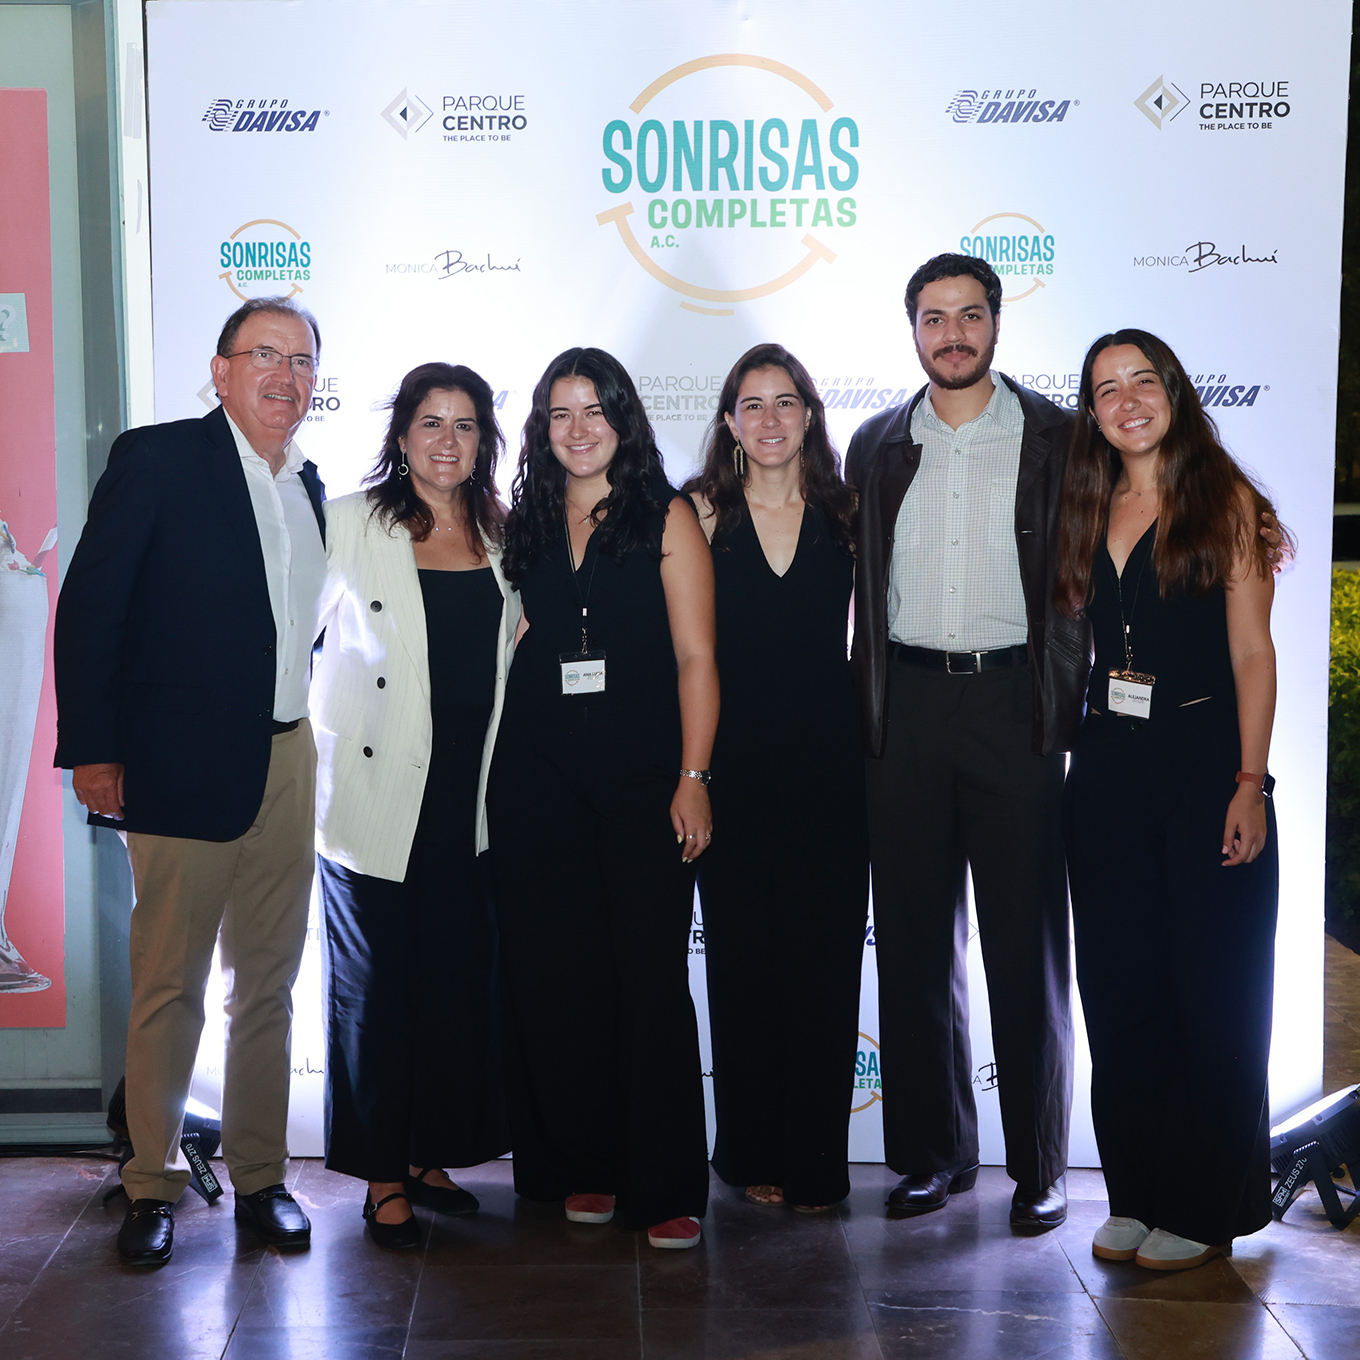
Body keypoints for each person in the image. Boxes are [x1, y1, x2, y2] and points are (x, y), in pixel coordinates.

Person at [54, 297, 327, 1264]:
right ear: (221, 371)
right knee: (171, 983)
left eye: (302, 361)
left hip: (288, 758)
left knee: (271, 983)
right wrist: (94, 748)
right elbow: (91, 607)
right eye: (266, 355)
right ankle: (151, 1183)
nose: (286, 377)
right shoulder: (160, 459)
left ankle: (261, 1176)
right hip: (178, 761)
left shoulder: (309, 483)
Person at [845, 254, 1083, 1229]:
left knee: (1026, 946)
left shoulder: (1059, 439)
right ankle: (930, 1155)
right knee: (910, 943)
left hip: (1012, 706)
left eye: (970, 315)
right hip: (902, 705)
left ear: (996, 322)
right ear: (912, 329)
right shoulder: (876, 443)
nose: (953, 334)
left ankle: (1040, 1167)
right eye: (934, 317)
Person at [1055, 329, 1285, 1271]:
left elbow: (1253, 654)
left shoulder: (1224, 502)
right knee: (1121, 994)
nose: (1127, 401)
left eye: (1142, 381)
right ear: (1093, 412)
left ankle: (1205, 1205)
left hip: (1206, 770)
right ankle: (1137, 1195)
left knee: (1212, 994)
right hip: (1108, 772)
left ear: (1174, 393)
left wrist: (1250, 783)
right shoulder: (1085, 504)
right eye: (1107, 388)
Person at [489, 346, 716, 1249]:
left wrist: (693, 778)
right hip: (536, 784)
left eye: (594, 410)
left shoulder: (667, 515)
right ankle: (586, 1163)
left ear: (624, 418)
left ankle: (665, 1183)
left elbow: (698, 659)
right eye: (560, 413)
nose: (577, 429)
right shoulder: (525, 522)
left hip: (644, 785)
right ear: (542, 428)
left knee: (650, 979)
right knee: (561, 977)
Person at [311, 362, 518, 1249]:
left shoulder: (504, 533)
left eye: (465, 425)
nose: (447, 441)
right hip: (373, 801)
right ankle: (383, 1176)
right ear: (401, 436)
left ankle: (432, 1155)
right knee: (377, 995)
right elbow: (290, 641)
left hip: (470, 801)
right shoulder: (351, 523)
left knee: (454, 988)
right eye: (431, 422)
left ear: (484, 442)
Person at [683, 343, 867, 1213]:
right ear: (729, 421)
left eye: (784, 402)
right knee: (744, 966)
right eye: (751, 404)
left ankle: (817, 1162)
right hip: (732, 770)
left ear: (809, 415)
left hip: (834, 771)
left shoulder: (850, 512)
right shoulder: (699, 513)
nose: (769, 419)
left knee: (824, 967)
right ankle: (751, 1149)